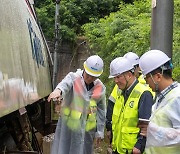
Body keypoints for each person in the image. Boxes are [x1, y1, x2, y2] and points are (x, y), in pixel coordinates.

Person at [47, 55, 106, 154]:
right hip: (69, 128)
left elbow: (102, 111)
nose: (90, 78)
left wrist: (99, 131)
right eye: (88, 75)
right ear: (84, 69)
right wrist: (58, 91)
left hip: (87, 131)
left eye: (93, 76)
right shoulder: (73, 78)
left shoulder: (100, 87)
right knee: (63, 149)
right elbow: (64, 85)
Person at [106, 52, 154, 147]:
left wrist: (139, 146)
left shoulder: (144, 93)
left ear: (129, 75)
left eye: (118, 77)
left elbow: (145, 125)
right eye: (114, 77)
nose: (115, 81)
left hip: (133, 150)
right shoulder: (120, 92)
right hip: (119, 148)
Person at [138, 50, 180, 154]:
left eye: (147, 78)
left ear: (158, 77)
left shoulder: (177, 98)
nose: (147, 83)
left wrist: (152, 131)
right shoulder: (162, 97)